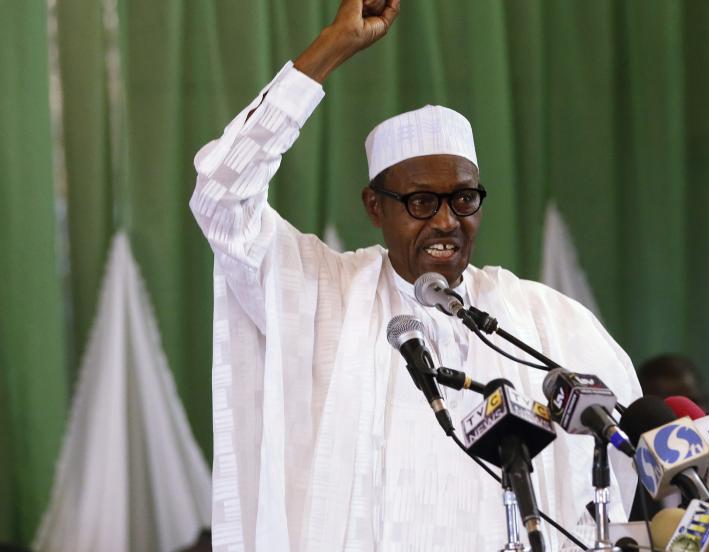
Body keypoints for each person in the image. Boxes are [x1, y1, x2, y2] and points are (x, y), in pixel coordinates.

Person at [190, 1, 641, 550]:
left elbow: (614, 468)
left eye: (464, 198)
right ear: (375, 208)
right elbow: (221, 196)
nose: (448, 220)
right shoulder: (321, 294)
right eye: (422, 201)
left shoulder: (543, 320)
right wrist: (331, 48)